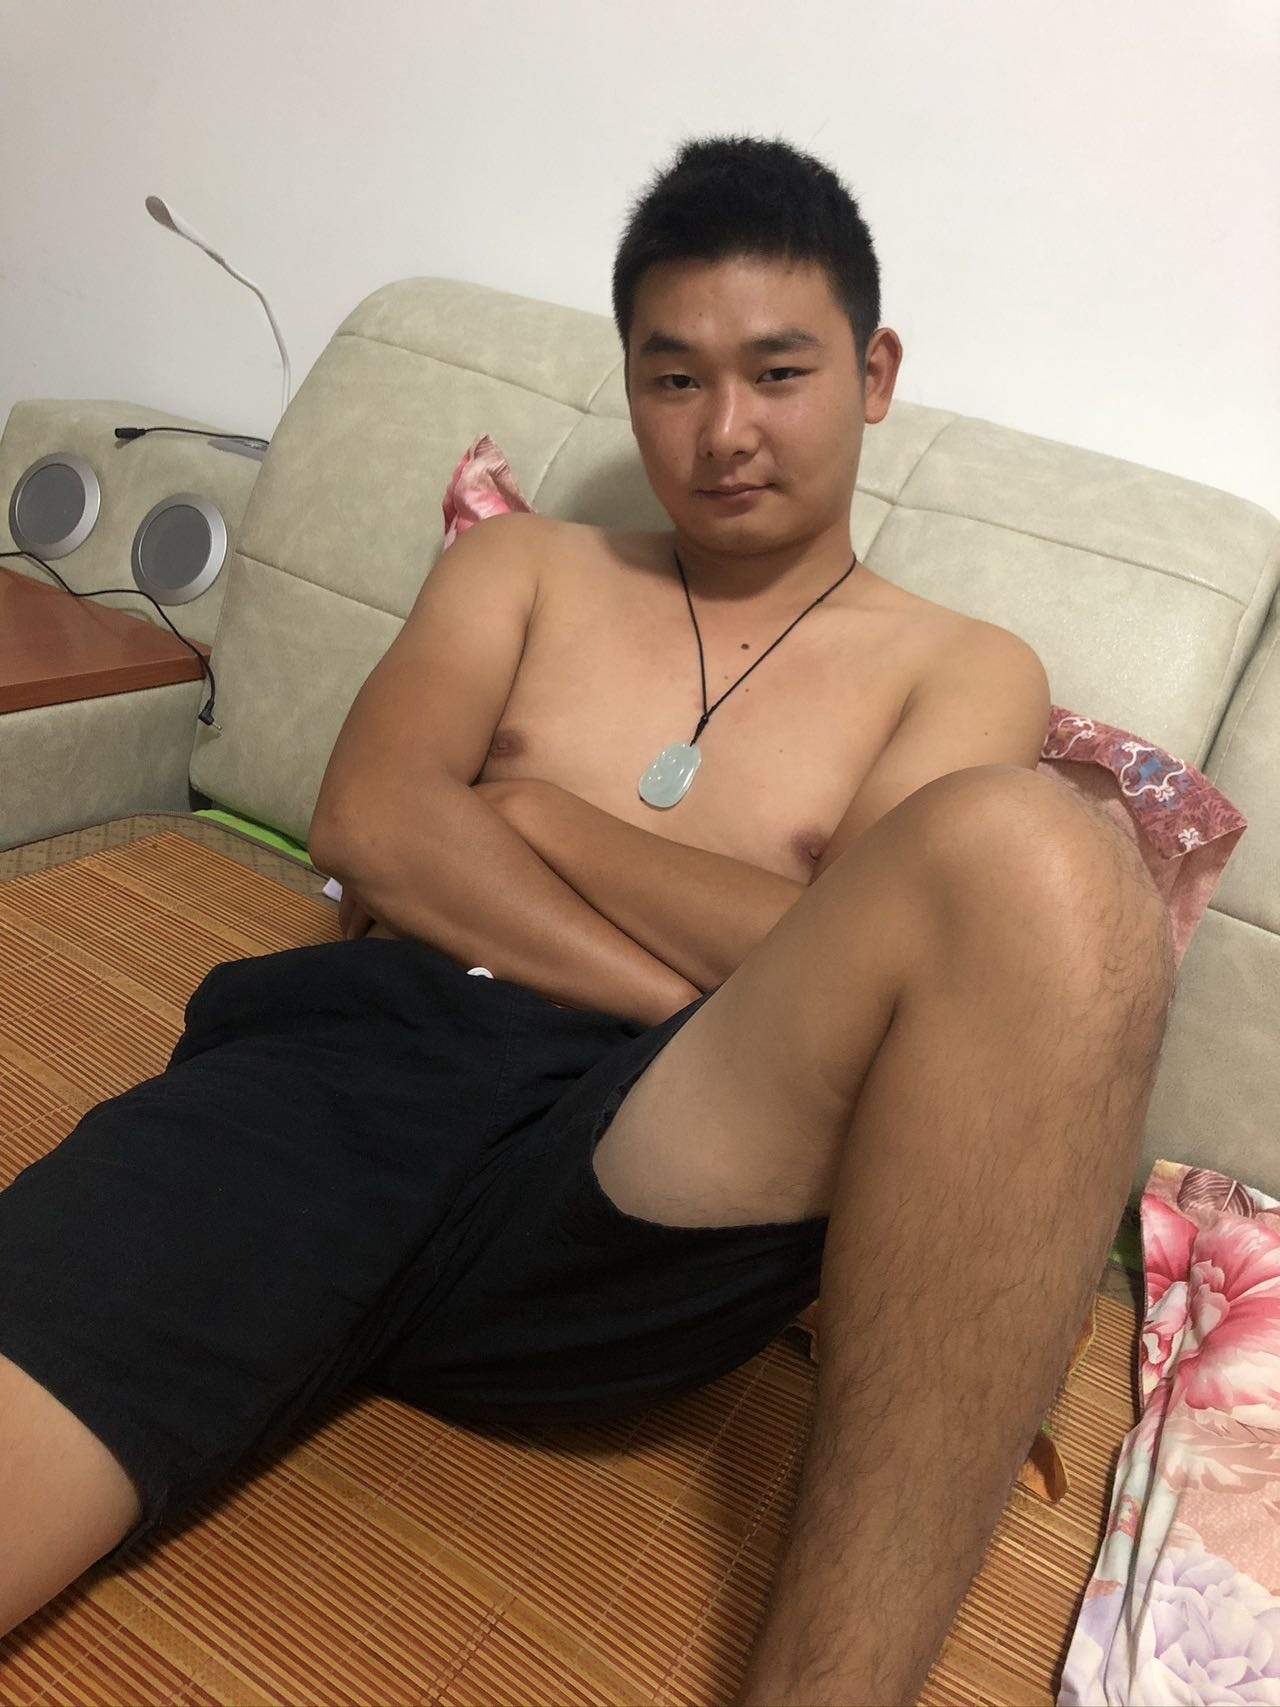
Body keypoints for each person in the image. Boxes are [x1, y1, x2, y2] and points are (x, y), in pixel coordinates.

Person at [0, 135, 1174, 1706]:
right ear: (630, 387)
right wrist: (699, 974)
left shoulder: (960, 668)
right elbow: (374, 823)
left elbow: (870, 973)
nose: (726, 431)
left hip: (661, 1170)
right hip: (348, 1081)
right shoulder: (528, 568)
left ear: (875, 374)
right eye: (674, 379)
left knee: (1046, 856)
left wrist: (546, 819)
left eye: (780, 372)